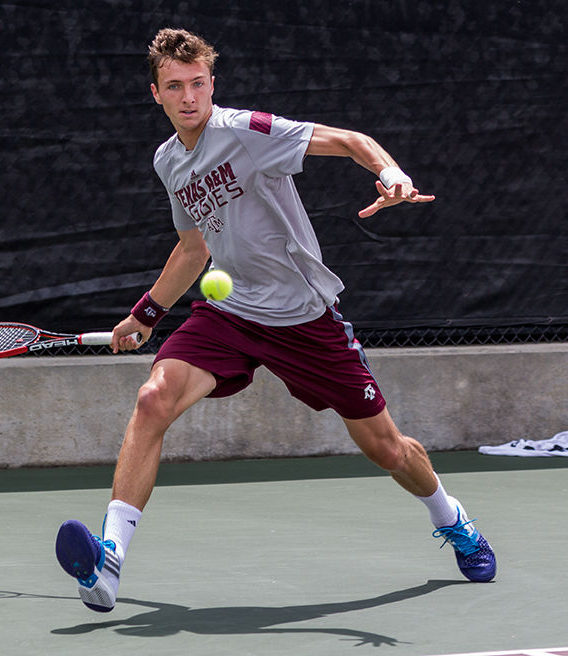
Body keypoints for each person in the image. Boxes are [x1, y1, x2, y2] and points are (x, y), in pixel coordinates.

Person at [55, 27, 496, 613]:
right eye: (174, 87)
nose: (188, 97)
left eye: (197, 84)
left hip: (304, 316)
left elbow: (349, 139)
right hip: (230, 310)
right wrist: (147, 314)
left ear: (212, 84)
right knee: (152, 399)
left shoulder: (246, 132)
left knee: (388, 450)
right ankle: (109, 560)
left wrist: (389, 173)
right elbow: (193, 248)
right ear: (155, 94)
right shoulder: (168, 161)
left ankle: (453, 519)